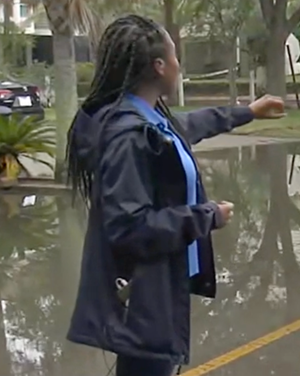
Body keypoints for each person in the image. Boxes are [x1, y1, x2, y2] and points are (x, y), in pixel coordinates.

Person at [65, 15, 285, 376]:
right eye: (175, 56)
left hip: (161, 284)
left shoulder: (148, 119)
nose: (180, 65)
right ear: (159, 66)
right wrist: (206, 216)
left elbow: (190, 126)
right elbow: (129, 227)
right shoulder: (128, 135)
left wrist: (248, 112)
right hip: (142, 297)